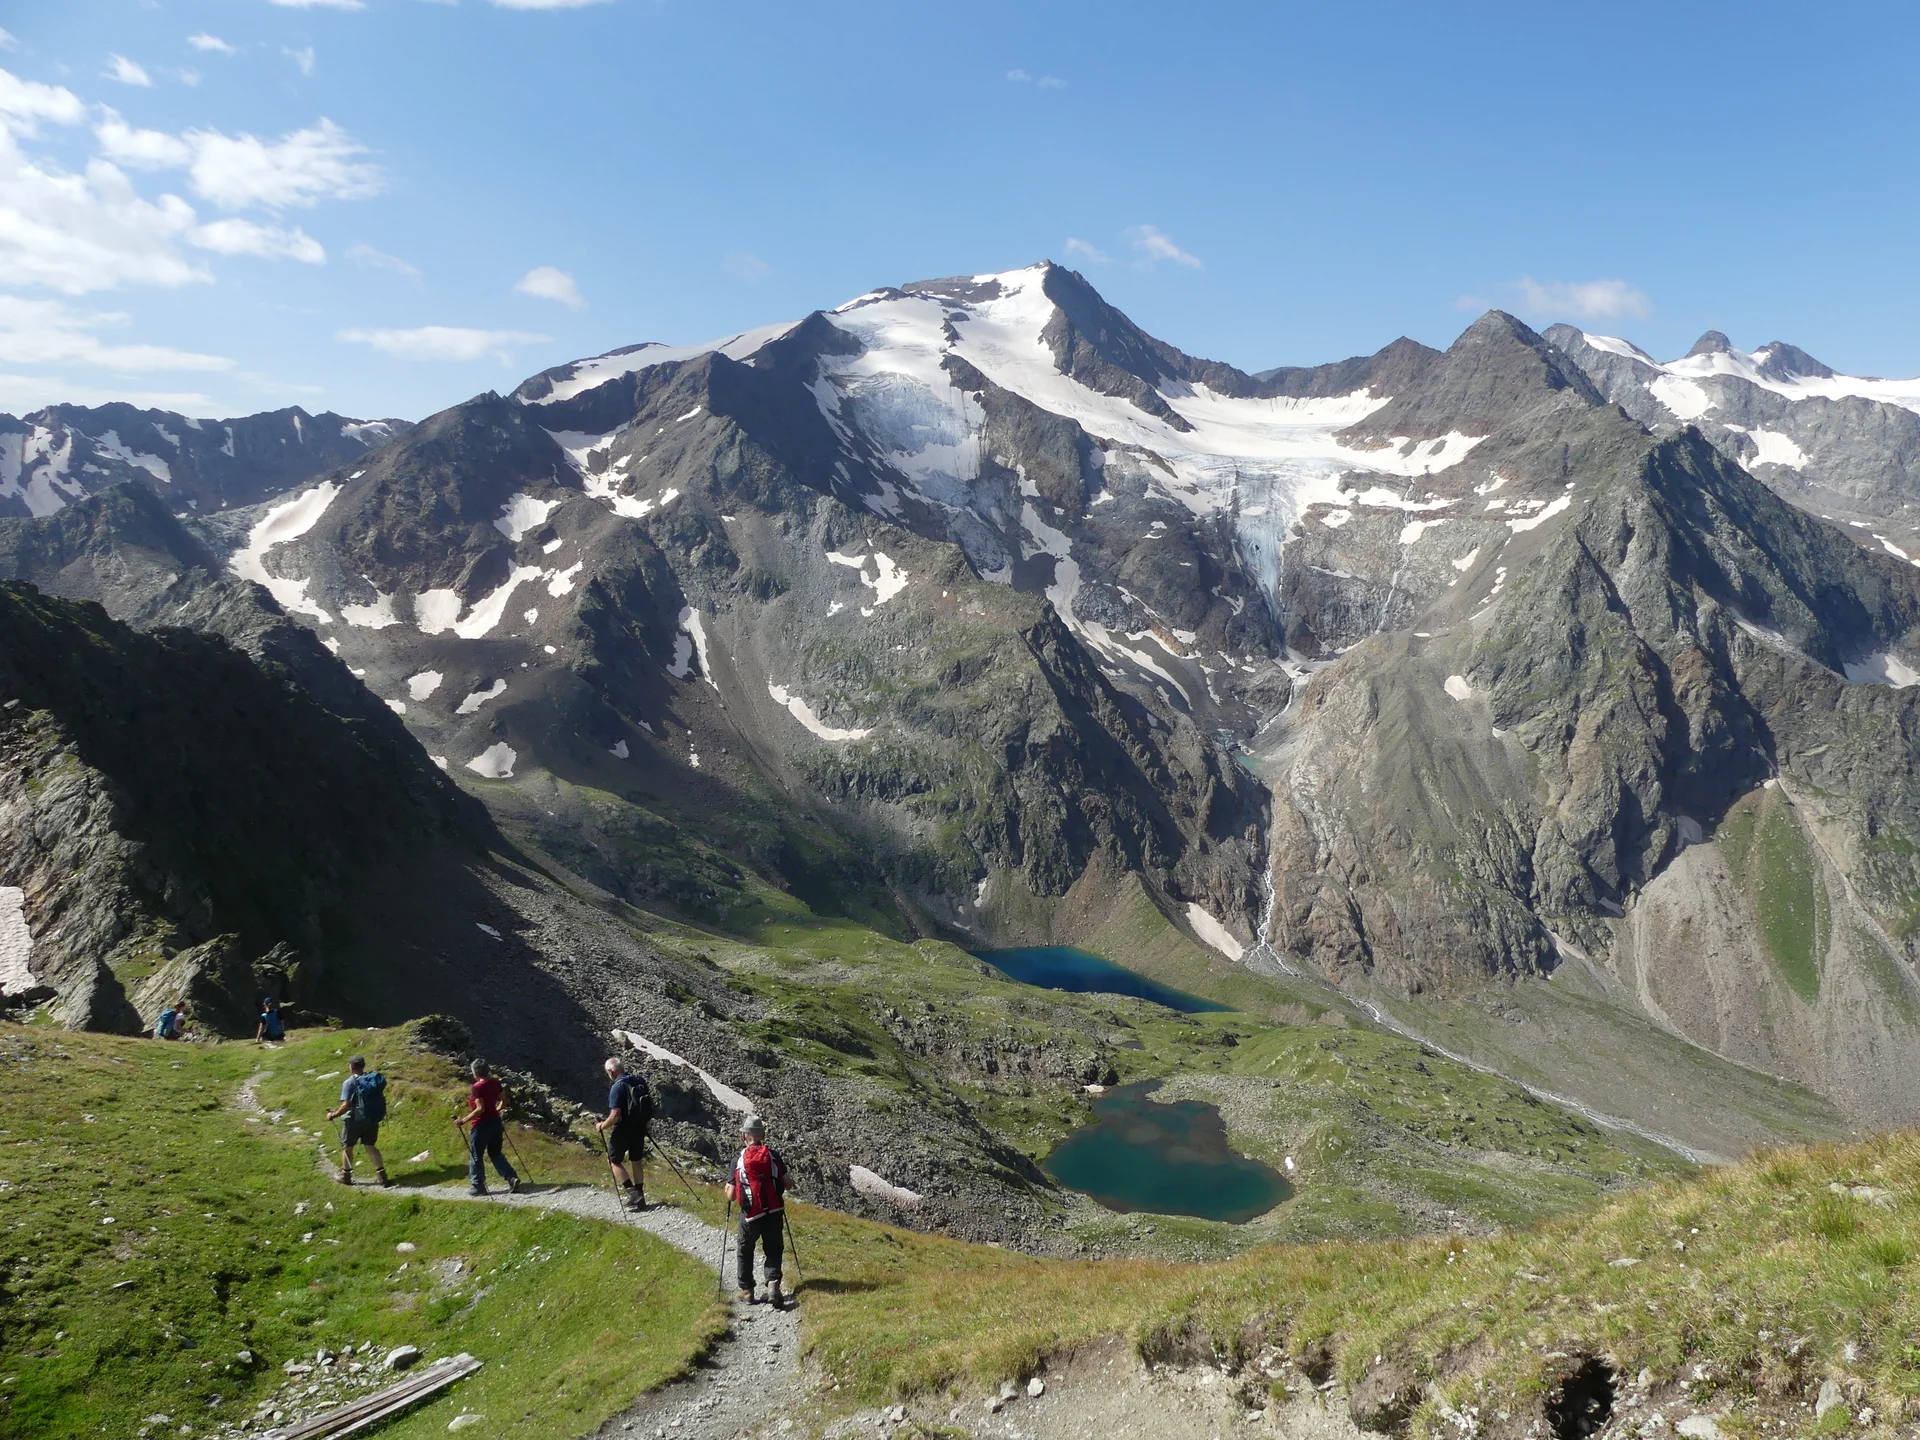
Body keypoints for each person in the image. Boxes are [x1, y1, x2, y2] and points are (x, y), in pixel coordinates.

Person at [726, 1114, 789, 1307]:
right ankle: (772, 1284)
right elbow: (788, 1184)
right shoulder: (772, 1155)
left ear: (744, 1136)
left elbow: (731, 1195)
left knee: (745, 1250)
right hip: (774, 1211)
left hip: (750, 1214)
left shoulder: (739, 1158)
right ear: (762, 1134)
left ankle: (746, 1290)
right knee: (774, 1248)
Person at [595, 1057, 652, 1211]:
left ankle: (632, 1193)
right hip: (640, 1127)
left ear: (611, 1072)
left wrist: (602, 1126)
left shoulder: (617, 1087)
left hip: (624, 1129)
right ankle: (640, 1197)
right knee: (636, 1160)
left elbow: (614, 1116)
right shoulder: (639, 1080)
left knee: (613, 1161)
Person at [324, 1055, 391, 1187]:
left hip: (354, 1121)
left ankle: (346, 1176)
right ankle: (383, 1177)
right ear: (363, 1066)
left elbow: (346, 1105)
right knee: (371, 1147)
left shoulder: (349, 1082)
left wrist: (333, 1114)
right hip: (372, 1119)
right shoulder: (371, 1079)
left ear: (351, 1067)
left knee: (348, 1148)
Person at [458, 1059, 520, 1196]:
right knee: (495, 1153)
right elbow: (504, 1101)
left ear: (476, 1072)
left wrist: (463, 1120)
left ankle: (478, 1186)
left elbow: (480, 1109)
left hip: (481, 1125)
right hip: (496, 1123)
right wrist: (496, 1110)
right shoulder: (495, 1082)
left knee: (476, 1156)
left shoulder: (477, 1087)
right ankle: (511, 1178)